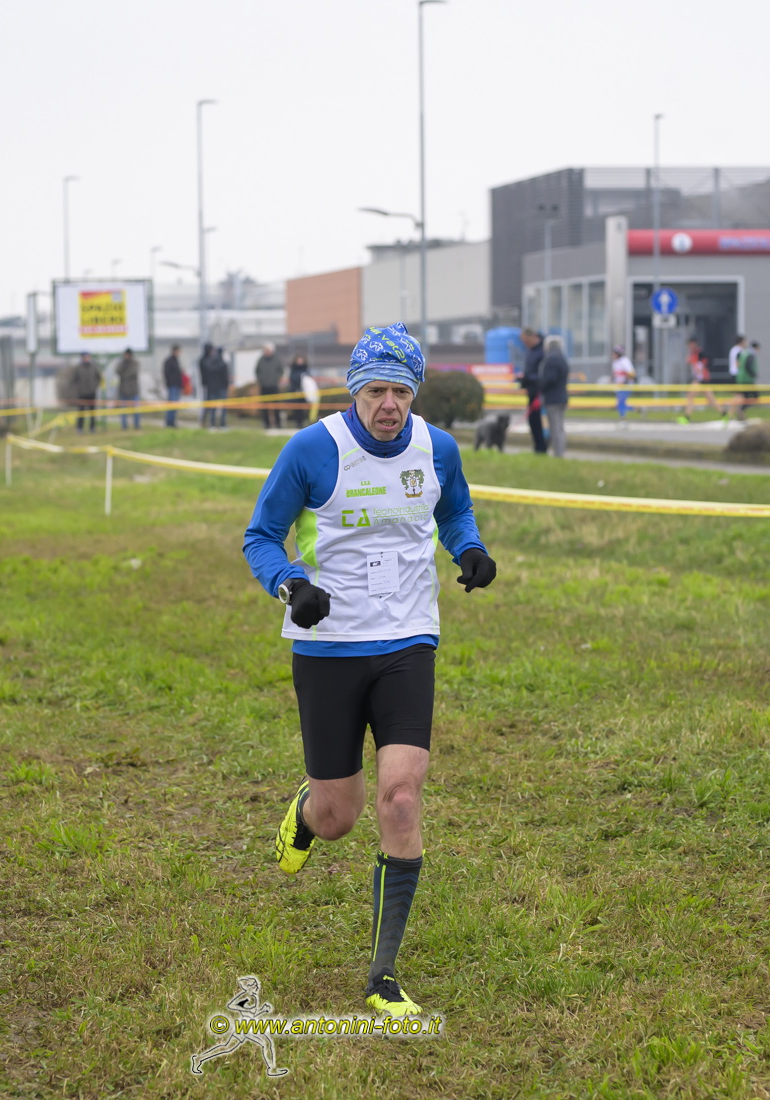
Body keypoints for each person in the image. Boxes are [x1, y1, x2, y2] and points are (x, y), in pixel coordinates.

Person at [245, 323, 497, 1018]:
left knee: (403, 798)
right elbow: (261, 536)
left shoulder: (436, 448)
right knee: (339, 818)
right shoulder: (312, 450)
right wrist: (292, 585)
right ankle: (308, 810)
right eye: (377, 391)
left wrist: (469, 549)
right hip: (327, 645)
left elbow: (455, 510)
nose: (390, 405)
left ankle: (382, 974)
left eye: (402, 393)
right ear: (354, 391)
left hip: (408, 640)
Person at [540, 335, 570, 456]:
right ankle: (560, 451)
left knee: (555, 428)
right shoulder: (562, 358)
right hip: (562, 396)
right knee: (560, 427)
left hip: (552, 398)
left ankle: (558, 454)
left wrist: (541, 387)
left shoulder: (551, 359)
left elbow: (550, 379)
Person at [518, 328, 546, 453]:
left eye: (526, 341)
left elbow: (543, 374)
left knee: (540, 420)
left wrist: (527, 377)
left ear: (533, 337)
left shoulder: (543, 350)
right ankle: (537, 447)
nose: (525, 344)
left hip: (539, 392)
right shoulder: (530, 351)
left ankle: (542, 447)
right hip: (531, 390)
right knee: (532, 420)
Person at [680, 340, 720, 419]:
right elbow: (688, 360)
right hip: (700, 379)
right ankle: (723, 413)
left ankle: (687, 416)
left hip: (701, 379)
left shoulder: (700, 353)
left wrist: (703, 367)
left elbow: (708, 359)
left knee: (690, 395)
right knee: (711, 399)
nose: (689, 347)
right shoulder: (694, 353)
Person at [254, 343, 284, 429]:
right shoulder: (261, 360)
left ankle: (278, 424)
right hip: (264, 386)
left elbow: (281, 371)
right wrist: (261, 380)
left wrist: (276, 379)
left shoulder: (276, 360)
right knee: (264, 407)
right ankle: (266, 424)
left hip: (274, 386)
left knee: (276, 406)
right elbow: (257, 371)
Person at [71, 353, 102, 432]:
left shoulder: (94, 367)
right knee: (81, 412)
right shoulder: (78, 368)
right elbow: (74, 380)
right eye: (85, 357)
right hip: (82, 394)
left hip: (92, 393)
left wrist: (94, 387)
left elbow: (98, 378)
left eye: (88, 357)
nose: (86, 359)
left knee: (92, 412)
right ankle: (79, 428)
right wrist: (79, 389)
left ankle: (92, 427)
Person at [202, 346, 230, 429]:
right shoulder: (223, 363)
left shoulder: (209, 363)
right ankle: (222, 424)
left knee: (212, 407)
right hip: (221, 387)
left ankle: (212, 424)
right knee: (223, 407)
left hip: (212, 387)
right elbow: (225, 377)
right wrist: (226, 386)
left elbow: (207, 375)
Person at [116, 349, 141, 429]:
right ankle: (124, 426)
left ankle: (137, 425)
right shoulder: (121, 363)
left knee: (136, 409)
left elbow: (133, 373)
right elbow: (117, 371)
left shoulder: (135, 363)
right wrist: (123, 364)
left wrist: (124, 374)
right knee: (123, 410)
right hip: (123, 390)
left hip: (133, 390)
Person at [735, 340, 760, 420]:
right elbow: (748, 366)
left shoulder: (743, 353)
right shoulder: (751, 355)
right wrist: (753, 374)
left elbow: (738, 360)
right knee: (755, 396)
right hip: (747, 380)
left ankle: (741, 412)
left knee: (746, 397)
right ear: (756, 348)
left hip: (741, 378)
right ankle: (742, 409)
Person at [610, 345, 636, 419]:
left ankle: (622, 417)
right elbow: (616, 374)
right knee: (620, 403)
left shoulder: (624, 361)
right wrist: (612, 380)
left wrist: (624, 382)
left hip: (625, 385)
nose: (613, 354)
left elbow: (631, 373)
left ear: (618, 354)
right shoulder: (615, 362)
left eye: (615, 353)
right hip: (619, 386)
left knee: (621, 402)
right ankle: (635, 409)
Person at [287, 354, 313, 428]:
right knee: (296, 408)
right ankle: (297, 423)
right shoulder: (293, 369)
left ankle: (302, 422)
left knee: (303, 408)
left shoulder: (306, 369)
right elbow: (292, 379)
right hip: (295, 391)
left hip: (304, 392)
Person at [162, 345, 184, 428]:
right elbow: (166, 374)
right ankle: (169, 422)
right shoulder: (169, 361)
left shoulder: (176, 361)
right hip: (172, 386)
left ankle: (172, 422)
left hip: (177, 386)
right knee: (171, 405)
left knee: (174, 405)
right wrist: (170, 383)